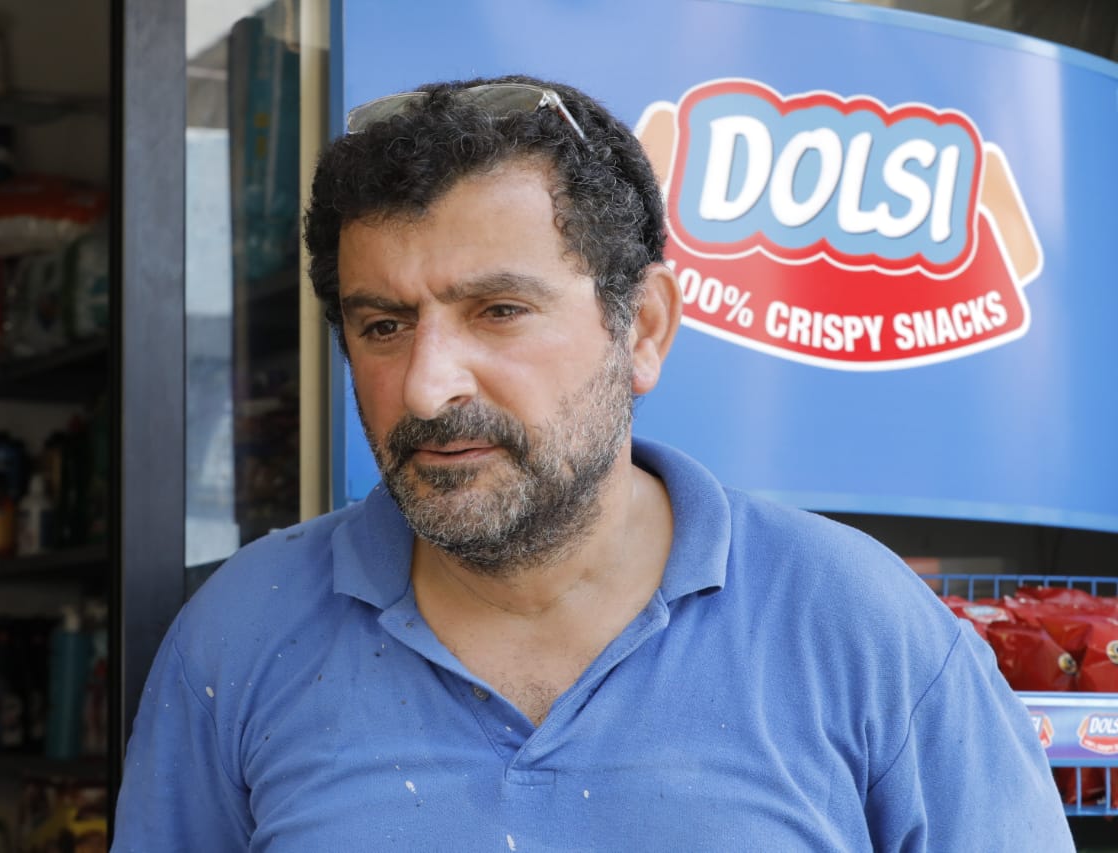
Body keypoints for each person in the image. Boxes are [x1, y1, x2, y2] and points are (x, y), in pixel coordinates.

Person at [112, 74, 1073, 851]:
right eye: (384, 325)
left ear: (642, 327)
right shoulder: (240, 639)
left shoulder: (858, 627)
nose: (428, 386)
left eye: (499, 311)